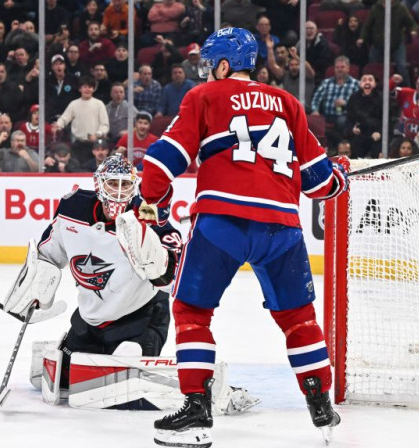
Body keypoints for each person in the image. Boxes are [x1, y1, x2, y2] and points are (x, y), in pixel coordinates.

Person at [140, 28, 348, 447]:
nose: (205, 72)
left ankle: (197, 409)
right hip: (283, 228)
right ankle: (320, 403)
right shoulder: (289, 103)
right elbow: (321, 184)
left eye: (208, 65)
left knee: (191, 312)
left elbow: (162, 164)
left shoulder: (204, 97)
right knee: (299, 318)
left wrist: (152, 199)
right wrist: (339, 176)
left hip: (223, 221)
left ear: (221, 64)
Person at [2, 154, 183, 393]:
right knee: (64, 380)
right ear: (99, 183)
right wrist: (34, 289)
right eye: (112, 183)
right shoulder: (73, 208)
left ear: (135, 186)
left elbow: (171, 275)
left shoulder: (149, 218)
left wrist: (154, 256)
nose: (119, 192)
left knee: (121, 379)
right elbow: (48, 255)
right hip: (90, 321)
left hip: (140, 320)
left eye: (125, 184)